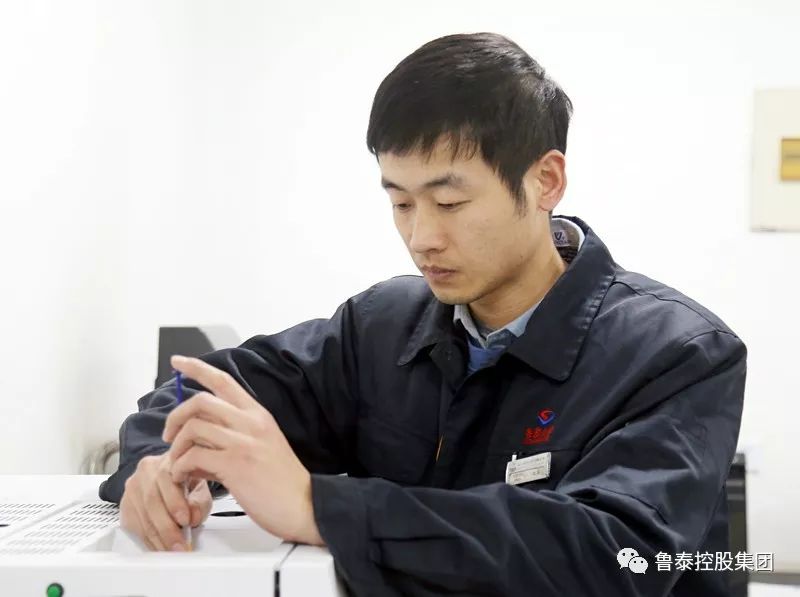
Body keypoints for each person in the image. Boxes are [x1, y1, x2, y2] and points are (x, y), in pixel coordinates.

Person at [100, 32, 747, 596]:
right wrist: (160, 464)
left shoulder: (678, 352)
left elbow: (613, 556)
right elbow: (195, 393)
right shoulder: (381, 326)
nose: (422, 238)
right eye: (401, 203)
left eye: (450, 203)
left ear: (545, 181)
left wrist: (317, 506)